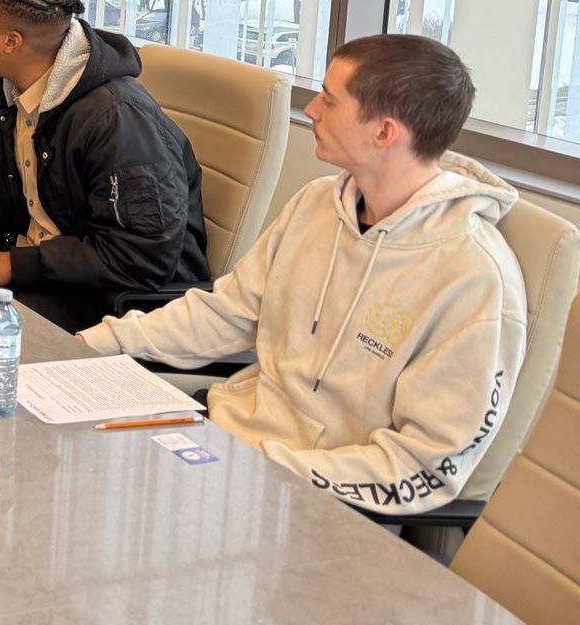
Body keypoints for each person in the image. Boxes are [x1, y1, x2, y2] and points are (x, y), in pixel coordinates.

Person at [80, 35, 525, 516]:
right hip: (230, 442)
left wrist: (268, 469)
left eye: (330, 100)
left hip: (322, 499)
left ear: (384, 132)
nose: (312, 109)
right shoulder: (318, 203)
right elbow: (228, 314)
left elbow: (424, 464)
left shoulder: (472, 275)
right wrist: (99, 344)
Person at [0, 0, 208, 332]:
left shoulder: (116, 119)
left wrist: (14, 265)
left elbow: (140, 255)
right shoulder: (3, 91)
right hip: (47, 272)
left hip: (117, 302)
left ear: (11, 42)